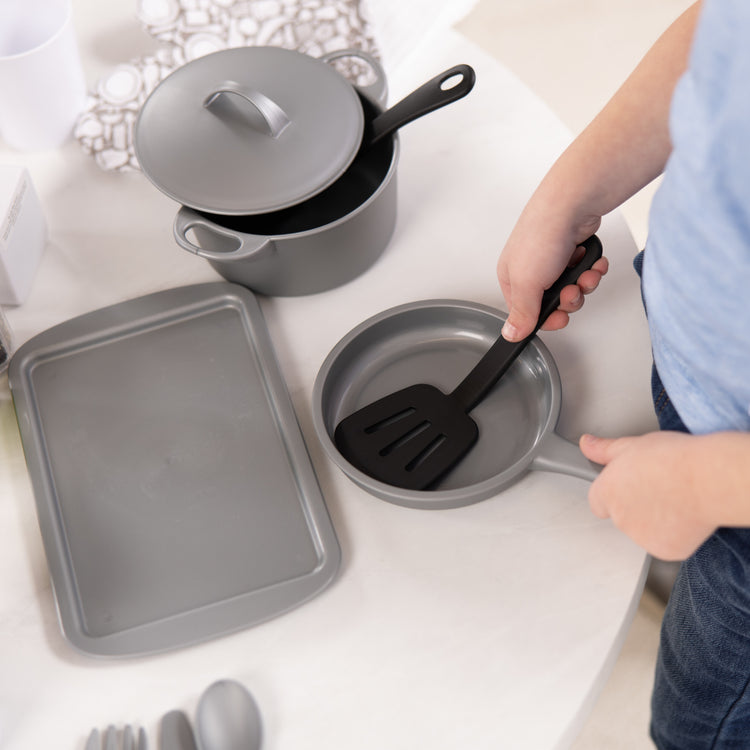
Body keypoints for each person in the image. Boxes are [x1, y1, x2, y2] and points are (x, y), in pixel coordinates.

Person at [496, 1, 750, 747]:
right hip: (703, 360)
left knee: (701, 726)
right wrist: (574, 189)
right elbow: (723, 37)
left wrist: (710, 485)